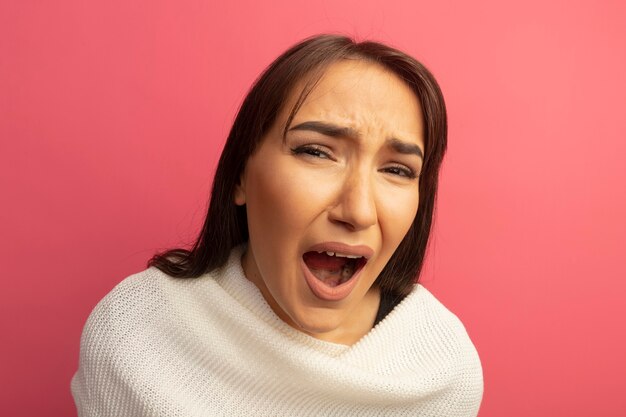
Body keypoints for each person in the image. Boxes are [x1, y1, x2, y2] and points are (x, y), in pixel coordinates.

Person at [72, 34, 483, 416]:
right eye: (316, 152)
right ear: (240, 176)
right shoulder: (136, 333)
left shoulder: (443, 369)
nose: (358, 212)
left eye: (397, 169)